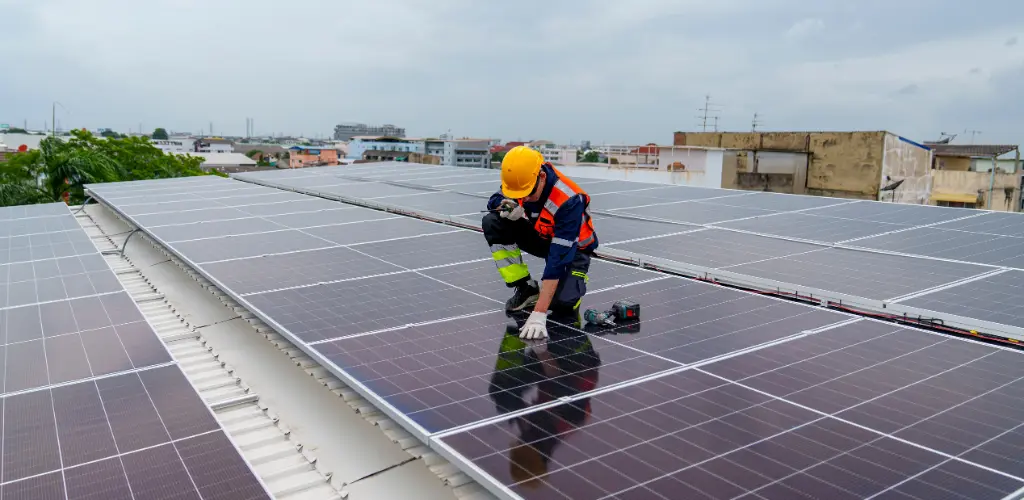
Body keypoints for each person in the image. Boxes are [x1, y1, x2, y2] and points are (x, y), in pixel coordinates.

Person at [483, 146, 599, 340]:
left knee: (561, 304)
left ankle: (572, 288)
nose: (525, 199)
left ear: (542, 176)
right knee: (493, 221)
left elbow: (558, 259)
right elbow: (494, 199)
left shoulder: (568, 199)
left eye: (528, 192)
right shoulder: (521, 178)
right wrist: (504, 206)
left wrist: (539, 313)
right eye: (521, 194)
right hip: (543, 238)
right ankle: (526, 287)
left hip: (574, 250)